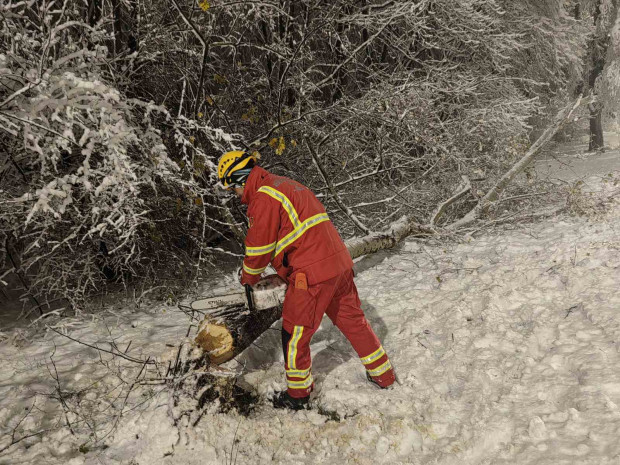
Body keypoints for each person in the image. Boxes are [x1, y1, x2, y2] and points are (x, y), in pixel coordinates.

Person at [218, 150, 396, 410]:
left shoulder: (264, 196)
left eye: (232, 188)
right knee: (353, 321)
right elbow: (298, 234)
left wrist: (248, 278)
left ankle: (298, 396)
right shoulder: (288, 185)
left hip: (311, 275)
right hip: (338, 264)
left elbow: (259, 247)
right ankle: (383, 375)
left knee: (294, 333)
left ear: (239, 178)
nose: (235, 195)